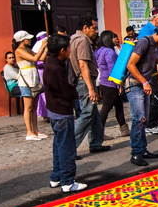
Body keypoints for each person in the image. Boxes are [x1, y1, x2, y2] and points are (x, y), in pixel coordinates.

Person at [126, 24, 158, 166]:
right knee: (138, 119)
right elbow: (131, 64)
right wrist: (144, 82)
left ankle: (142, 149)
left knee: (144, 120)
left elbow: (151, 58)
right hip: (135, 84)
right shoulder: (144, 42)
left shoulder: (154, 45)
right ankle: (136, 153)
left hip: (143, 84)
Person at [43, 33, 86, 192]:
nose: (70, 51)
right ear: (62, 50)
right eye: (68, 49)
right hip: (61, 111)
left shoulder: (52, 62)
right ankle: (67, 181)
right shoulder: (55, 68)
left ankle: (56, 177)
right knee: (66, 147)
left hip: (55, 110)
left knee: (58, 145)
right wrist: (75, 93)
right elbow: (64, 90)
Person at [69, 16, 110, 155]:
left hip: (84, 81)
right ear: (85, 28)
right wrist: (91, 89)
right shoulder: (82, 41)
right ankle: (69, 147)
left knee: (93, 114)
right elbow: (83, 65)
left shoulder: (75, 39)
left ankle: (96, 143)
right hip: (85, 81)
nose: (96, 31)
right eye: (94, 28)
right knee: (87, 113)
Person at [13, 30, 48, 141]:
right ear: (22, 40)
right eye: (28, 39)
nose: (30, 40)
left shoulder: (28, 49)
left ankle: (36, 130)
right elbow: (34, 58)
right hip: (26, 81)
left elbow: (41, 58)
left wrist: (46, 47)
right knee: (28, 107)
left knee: (33, 107)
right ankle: (29, 131)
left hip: (34, 79)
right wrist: (42, 46)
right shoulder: (19, 51)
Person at [95, 30, 129, 138]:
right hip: (111, 83)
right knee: (106, 108)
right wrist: (119, 85)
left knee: (118, 106)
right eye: (113, 37)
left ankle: (124, 128)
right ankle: (99, 132)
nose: (115, 39)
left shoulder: (100, 51)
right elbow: (113, 70)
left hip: (104, 82)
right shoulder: (109, 52)